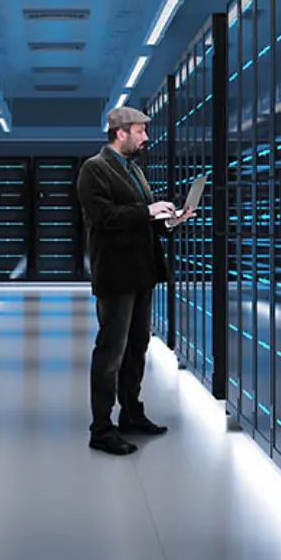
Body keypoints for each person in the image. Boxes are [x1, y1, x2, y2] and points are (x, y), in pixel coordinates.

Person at [75, 105, 195, 455]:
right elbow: (104, 217)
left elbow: (142, 222)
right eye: (141, 131)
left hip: (143, 272)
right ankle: (101, 429)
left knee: (137, 347)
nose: (146, 137)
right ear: (120, 132)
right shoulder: (94, 169)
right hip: (116, 274)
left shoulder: (135, 171)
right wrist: (147, 210)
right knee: (111, 351)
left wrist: (171, 220)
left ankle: (131, 413)